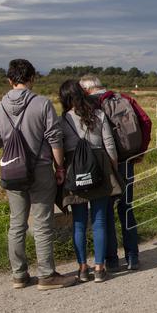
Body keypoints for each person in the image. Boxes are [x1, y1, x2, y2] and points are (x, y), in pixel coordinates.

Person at [0, 59, 75, 291]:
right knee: (42, 223)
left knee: (16, 223)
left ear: (9, 80)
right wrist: (60, 168)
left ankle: (19, 275)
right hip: (40, 169)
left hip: (12, 170)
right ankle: (46, 275)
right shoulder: (42, 104)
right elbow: (55, 139)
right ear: (32, 78)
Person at [59, 80, 124, 283]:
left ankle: (82, 268)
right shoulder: (98, 115)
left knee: (78, 223)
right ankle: (99, 267)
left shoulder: (62, 120)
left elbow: (58, 148)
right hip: (100, 169)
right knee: (99, 222)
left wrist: (60, 169)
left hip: (74, 171)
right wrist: (113, 167)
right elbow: (110, 145)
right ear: (82, 93)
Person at [80, 75, 146, 272]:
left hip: (104, 164)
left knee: (105, 211)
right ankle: (133, 257)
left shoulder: (90, 104)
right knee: (126, 208)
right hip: (127, 159)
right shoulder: (124, 99)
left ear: (86, 89)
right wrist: (139, 150)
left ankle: (111, 260)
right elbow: (145, 121)